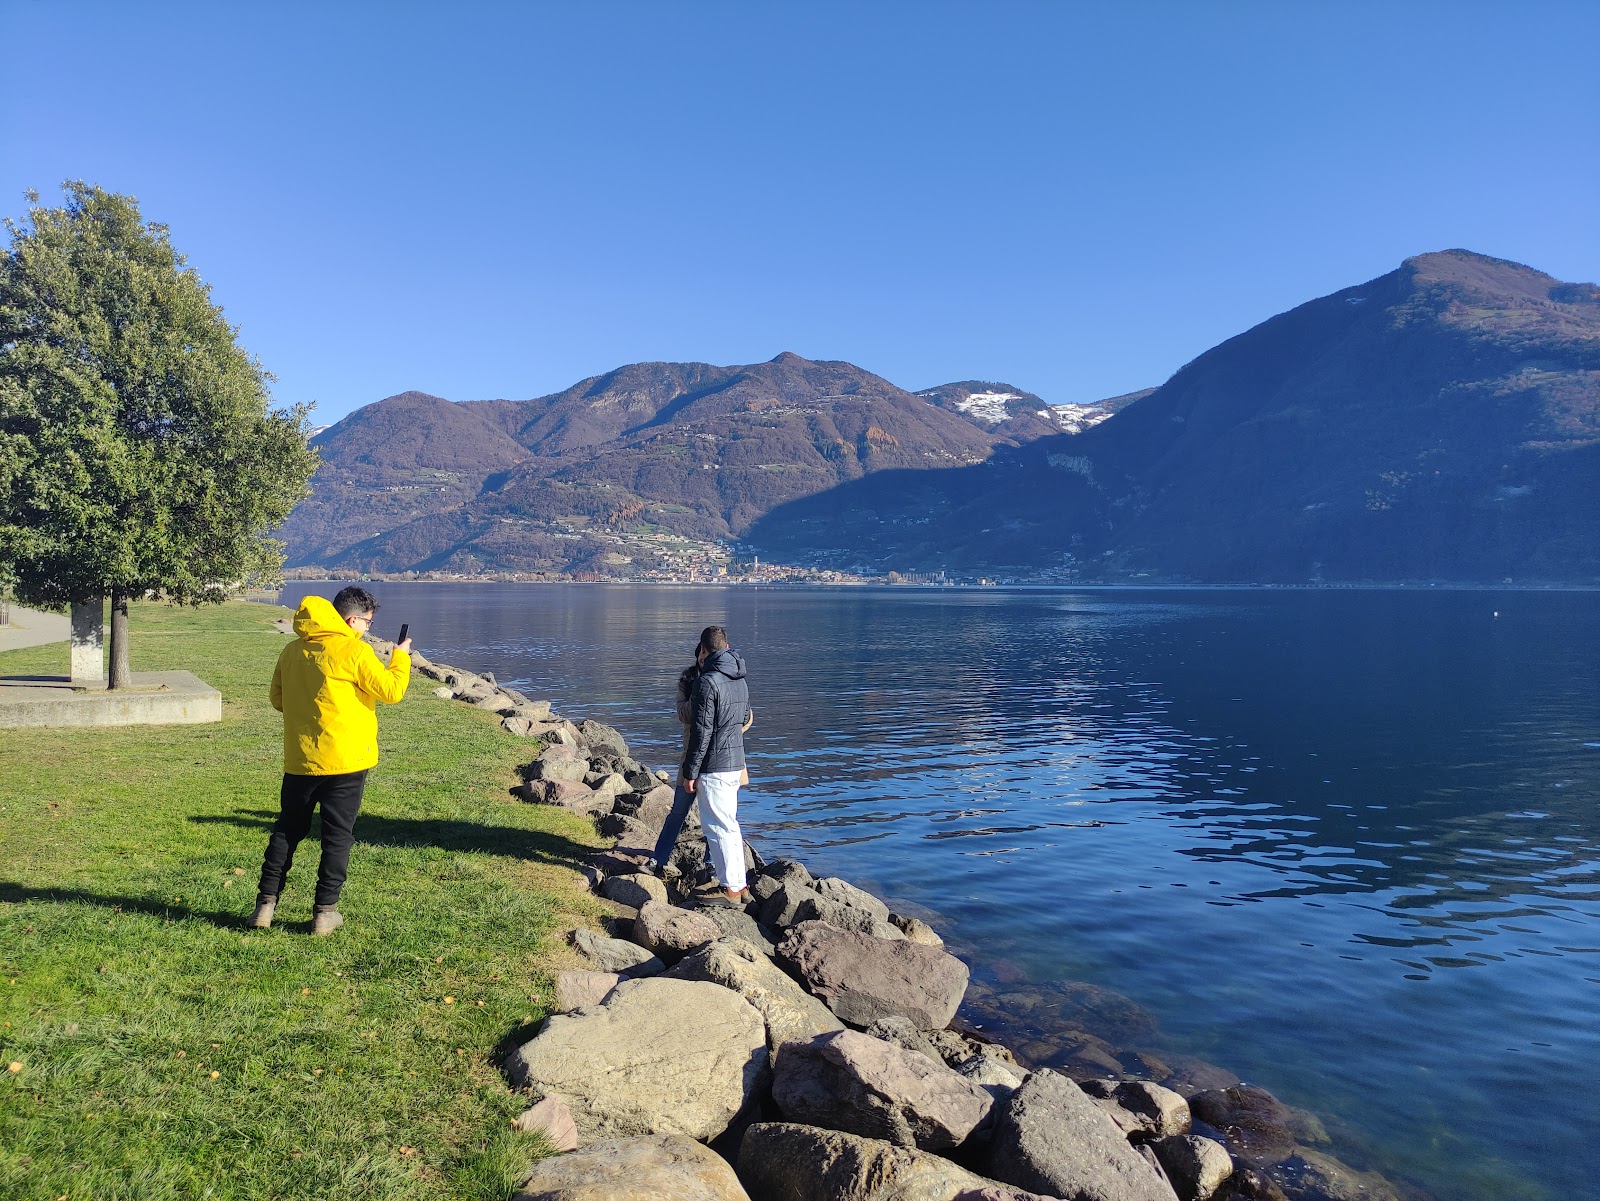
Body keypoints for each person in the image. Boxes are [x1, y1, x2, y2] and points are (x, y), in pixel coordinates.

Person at [251, 586, 411, 935]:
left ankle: (265, 904)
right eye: (368, 622)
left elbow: (278, 700)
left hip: (301, 759)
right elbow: (392, 691)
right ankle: (324, 912)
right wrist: (401, 657)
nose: (368, 628)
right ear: (352, 620)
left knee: (286, 831)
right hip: (347, 760)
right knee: (337, 837)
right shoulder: (355, 650)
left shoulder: (291, 652)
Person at [679, 625, 752, 904]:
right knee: (730, 825)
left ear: (704, 650)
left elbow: (702, 732)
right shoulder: (740, 679)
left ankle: (730, 889)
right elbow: (744, 717)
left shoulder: (706, 682)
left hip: (714, 765)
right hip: (735, 762)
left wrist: (690, 771)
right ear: (726, 645)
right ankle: (739, 884)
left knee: (716, 828)